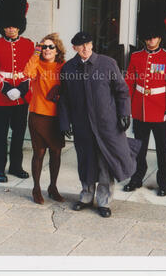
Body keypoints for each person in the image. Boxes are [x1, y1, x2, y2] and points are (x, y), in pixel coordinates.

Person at [58, 31, 141, 218]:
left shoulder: (107, 63)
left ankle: (104, 201)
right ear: (74, 48)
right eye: (81, 46)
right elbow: (64, 99)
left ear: (92, 44)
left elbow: (122, 91)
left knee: (105, 163)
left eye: (88, 44)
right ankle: (86, 196)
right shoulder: (68, 68)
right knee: (85, 162)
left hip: (107, 125)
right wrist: (65, 122)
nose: (85, 48)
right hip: (82, 125)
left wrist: (124, 114)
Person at [124, 0, 166, 196]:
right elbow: (129, 82)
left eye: (154, 37)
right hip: (140, 108)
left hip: (160, 110)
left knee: (163, 149)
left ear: (160, 37)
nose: (151, 41)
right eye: (148, 38)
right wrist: (127, 107)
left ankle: (164, 183)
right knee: (138, 147)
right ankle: (137, 177)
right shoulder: (136, 57)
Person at [0, 0, 34, 183]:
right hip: (1, 98)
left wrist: (21, 89)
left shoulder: (29, 45)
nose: (11, 29)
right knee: (0, 135)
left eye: (14, 26)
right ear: (2, 26)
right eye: (8, 26)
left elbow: (31, 70)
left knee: (19, 134)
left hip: (22, 98)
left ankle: (15, 166)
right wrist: (6, 89)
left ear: (20, 25)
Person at [24, 33, 66, 204]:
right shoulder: (37, 65)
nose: (47, 49)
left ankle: (53, 187)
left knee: (56, 153)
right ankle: (36, 189)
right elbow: (27, 72)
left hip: (56, 117)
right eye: (44, 46)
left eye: (51, 47)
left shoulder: (63, 67)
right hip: (38, 115)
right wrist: (35, 53)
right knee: (39, 153)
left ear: (57, 50)